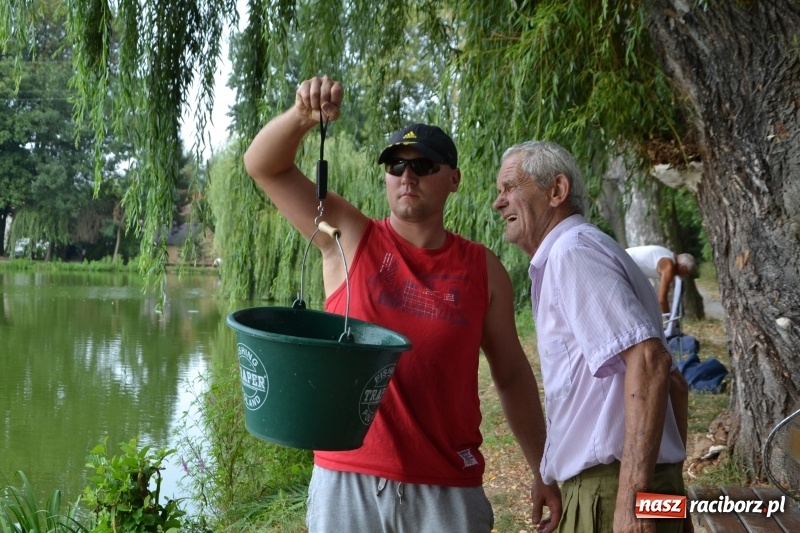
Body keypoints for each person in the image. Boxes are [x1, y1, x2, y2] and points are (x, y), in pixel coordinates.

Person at [243, 76, 561, 533]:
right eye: (395, 165)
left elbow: (511, 375)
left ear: (454, 179)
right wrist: (301, 117)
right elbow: (264, 167)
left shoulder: (484, 269)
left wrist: (541, 468)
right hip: (347, 479)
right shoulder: (350, 237)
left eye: (424, 165)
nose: (407, 176)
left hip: (446, 487)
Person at [491, 140, 691, 533]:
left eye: (510, 187)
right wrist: (669, 496)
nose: (499, 202)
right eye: (499, 192)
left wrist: (633, 503)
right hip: (639, 482)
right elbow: (675, 386)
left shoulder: (572, 252)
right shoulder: (590, 248)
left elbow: (650, 362)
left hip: (610, 492)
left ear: (556, 190)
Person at [626, 245, 697, 313]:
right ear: (682, 267)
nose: (683, 275)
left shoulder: (668, 254)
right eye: (686, 273)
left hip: (624, 259)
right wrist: (670, 318)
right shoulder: (669, 267)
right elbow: (662, 300)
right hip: (623, 265)